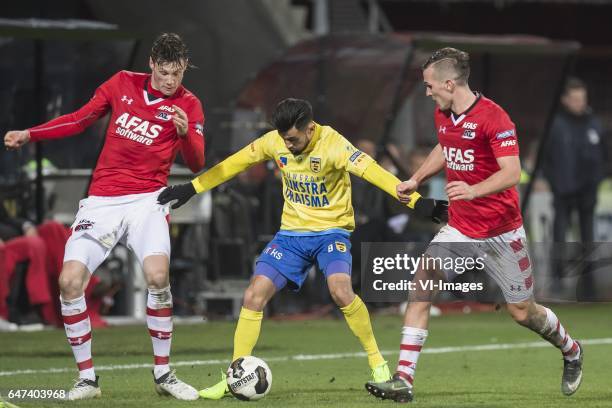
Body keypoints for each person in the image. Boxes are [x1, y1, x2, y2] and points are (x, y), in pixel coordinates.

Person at [158, 98, 448, 399]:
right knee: (253, 295)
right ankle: (235, 375)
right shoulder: (275, 141)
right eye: (284, 139)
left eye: (294, 139)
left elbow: (376, 174)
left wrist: (418, 203)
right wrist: (192, 188)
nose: (288, 145)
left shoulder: (334, 144)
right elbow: (233, 164)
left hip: (330, 233)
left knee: (340, 290)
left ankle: (378, 364)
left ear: (310, 129)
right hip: (291, 236)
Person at [365, 48, 583, 403]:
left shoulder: (494, 118)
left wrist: (472, 189)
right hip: (462, 229)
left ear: (449, 83)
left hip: (502, 231)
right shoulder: (442, 113)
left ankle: (572, 350)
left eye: (429, 84)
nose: (427, 91)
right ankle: (403, 379)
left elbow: (512, 173)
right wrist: (416, 177)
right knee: (423, 280)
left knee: (522, 312)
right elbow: (445, 145)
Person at [3, 33, 205, 401]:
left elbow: (197, 163)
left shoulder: (189, 105)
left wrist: (185, 133)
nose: (170, 81)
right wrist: (29, 135)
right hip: (103, 201)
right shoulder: (121, 83)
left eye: (177, 74)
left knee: (158, 278)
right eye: (164, 73)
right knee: (69, 283)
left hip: (148, 201)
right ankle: (87, 380)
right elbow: (79, 120)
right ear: (151, 65)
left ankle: (163, 374)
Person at [544, 77, 605, 292]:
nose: (579, 102)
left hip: (588, 193)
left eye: (582, 98)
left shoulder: (594, 124)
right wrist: (555, 184)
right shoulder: (556, 125)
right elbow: (546, 158)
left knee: (588, 237)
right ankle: (557, 282)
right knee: (560, 236)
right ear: (565, 100)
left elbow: (603, 157)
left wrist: (597, 181)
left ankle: (588, 284)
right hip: (563, 192)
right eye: (575, 98)